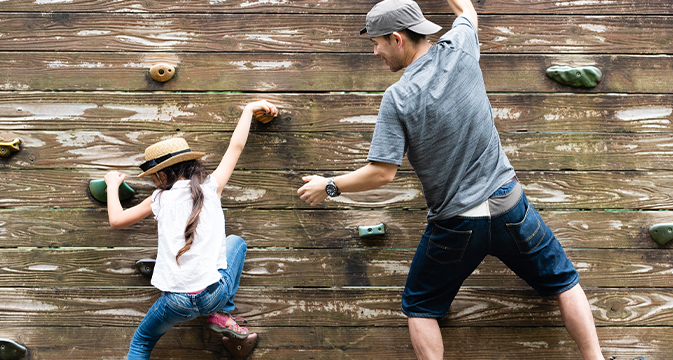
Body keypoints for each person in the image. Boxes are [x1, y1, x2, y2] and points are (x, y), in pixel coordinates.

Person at [296, 0, 604, 359]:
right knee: (565, 282)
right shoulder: (460, 47)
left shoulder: (397, 98)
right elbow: (466, 9)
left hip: (456, 225)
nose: (375, 51)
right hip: (509, 206)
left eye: (376, 43)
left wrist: (329, 184)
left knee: (420, 306)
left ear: (398, 39)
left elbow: (383, 172)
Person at [104, 100, 278, 359]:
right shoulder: (211, 186)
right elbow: (236, 147)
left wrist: (111, 184)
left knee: (142, 341)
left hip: (175, 302)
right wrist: (249, 110)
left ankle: (218, 313)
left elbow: (117, 220)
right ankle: (221, 313)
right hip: (213, 295)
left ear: (162, 176)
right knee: (236, 242)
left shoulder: (158, 199)